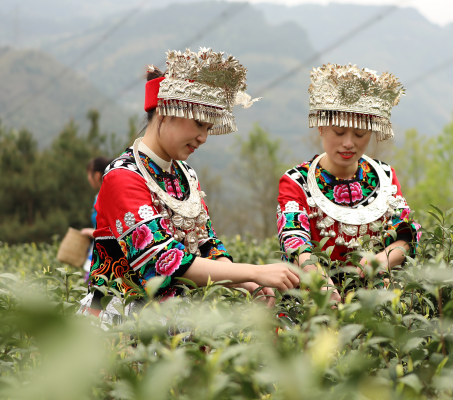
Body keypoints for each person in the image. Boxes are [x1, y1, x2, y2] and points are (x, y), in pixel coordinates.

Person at [79, 48, 298, 322]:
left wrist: (244, 282)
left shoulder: (186, 175)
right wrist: (252, 272)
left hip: (180, 326)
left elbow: (207, 243)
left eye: (208, 128)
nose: (203, 137)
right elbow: (163, 258)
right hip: (122, 325)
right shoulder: (123, 176)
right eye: (198, 124)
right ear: (164, 111)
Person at [277, 64, 421, 301]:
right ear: (321, 127)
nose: (348, 143)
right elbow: (295, 242)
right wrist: (321, 283)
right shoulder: (296, 181)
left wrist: (380, 260)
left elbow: (406, 234)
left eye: (360, 135)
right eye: (339, 132)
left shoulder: (384, 175)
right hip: (312, 304)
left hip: (377, 304)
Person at [81, 156, 113, 279]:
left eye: (89, 174)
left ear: (97, 175)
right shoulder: (101, 195)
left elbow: (113, 229)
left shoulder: (105, 196)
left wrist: (90, 232)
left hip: (106, 255)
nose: (88, 179)